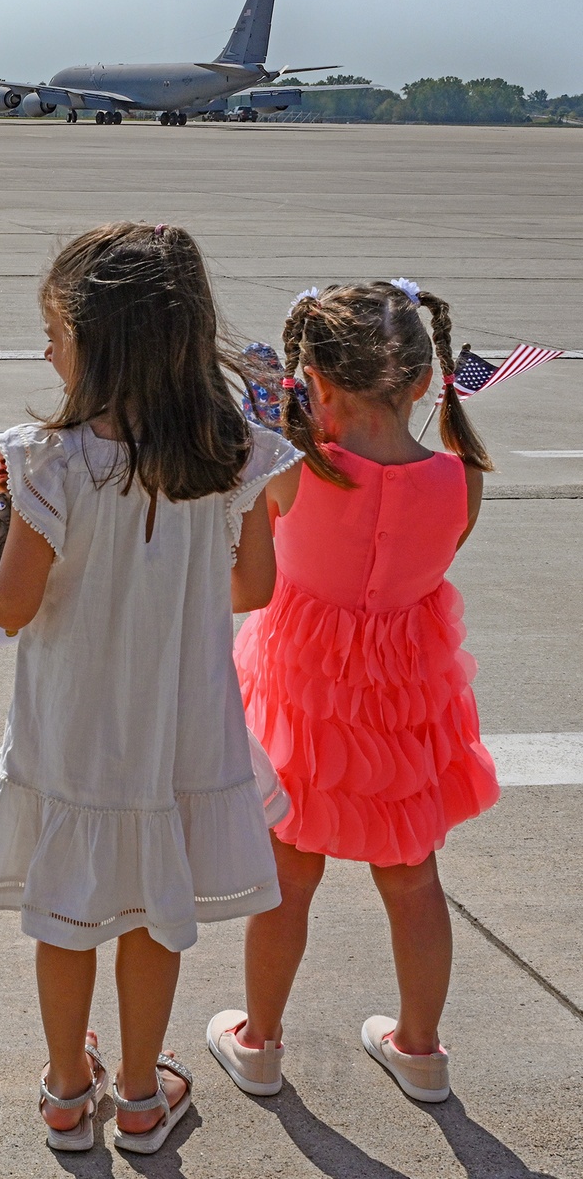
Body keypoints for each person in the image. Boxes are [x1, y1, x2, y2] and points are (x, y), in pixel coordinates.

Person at [0, 222, 299, 1154]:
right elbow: (252, 589)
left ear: (98, 341)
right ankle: (143, 1097)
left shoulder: (48, 462)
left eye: (56, 330)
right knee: (155, 911)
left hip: (75, 734)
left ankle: (69, 1092)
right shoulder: (233, 453)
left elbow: (14, 602)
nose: (46, 349)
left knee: (68, 915)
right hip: (178, 733)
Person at [208, 279, 501, 1105]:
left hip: (303, 693)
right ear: (420, 380)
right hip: (408, 695)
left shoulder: (295, 474)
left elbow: (247, 543)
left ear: (316, 384)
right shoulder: (461, 478)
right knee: (413, 878)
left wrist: (271, 426)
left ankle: (260, 1042)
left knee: (287, 875)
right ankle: (420, 1049)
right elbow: (431, 556)